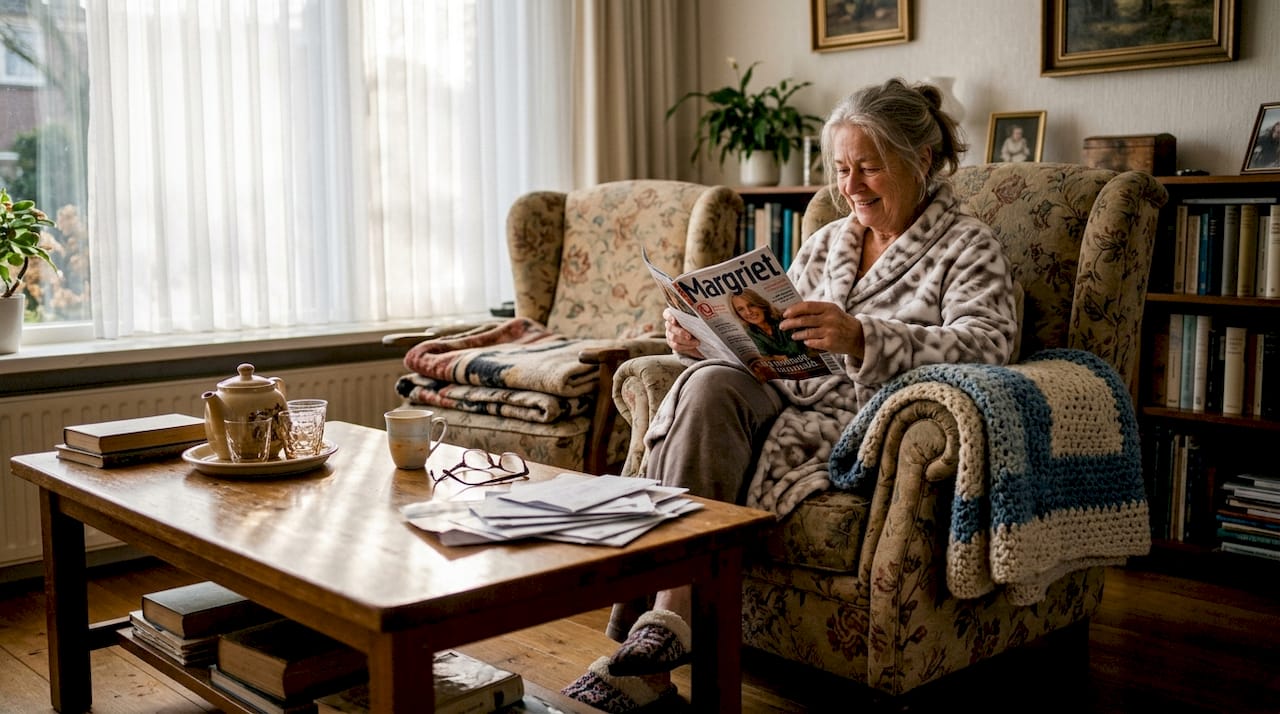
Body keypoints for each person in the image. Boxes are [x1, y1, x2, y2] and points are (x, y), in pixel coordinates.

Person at [562, 77, 1019, 712]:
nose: (850, 187)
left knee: (710, 396)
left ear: (920, 160)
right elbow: (774, 337)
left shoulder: (969, 246)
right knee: (705, 385)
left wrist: (863, 336)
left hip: (868, 416)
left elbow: (990, 344)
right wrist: (703, 338)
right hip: (788, 390)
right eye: (841, 169)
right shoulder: (828, 240)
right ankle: (661, 639)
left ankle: (655, 646)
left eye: (868, 168)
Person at [729, 288, 811, 361]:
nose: (748, 312)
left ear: (760, 304)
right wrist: (773, 358)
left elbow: (797, 350)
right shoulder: (751, 331)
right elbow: (765, 355)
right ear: (737, 314)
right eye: (741, 309)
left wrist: (775, 357)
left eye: (751, 305)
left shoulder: (784, 317)